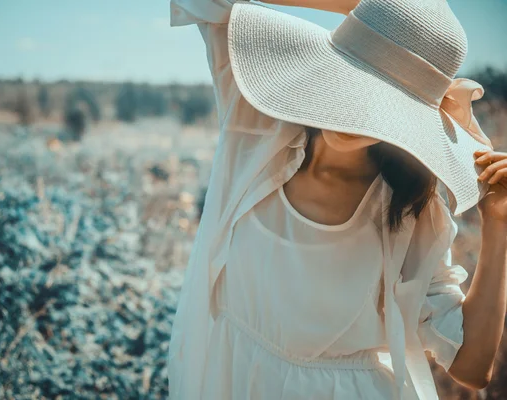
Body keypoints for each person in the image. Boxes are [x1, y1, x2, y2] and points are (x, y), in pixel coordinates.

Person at [167, 0, 507, 399]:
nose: (352, 111)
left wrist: (499, 224)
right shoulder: (256, 118)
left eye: (380, 104)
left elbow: (472, 366)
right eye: (348, 80)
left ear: (408, 122)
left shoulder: (411, 211)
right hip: (229, 381)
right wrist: (367, 8)